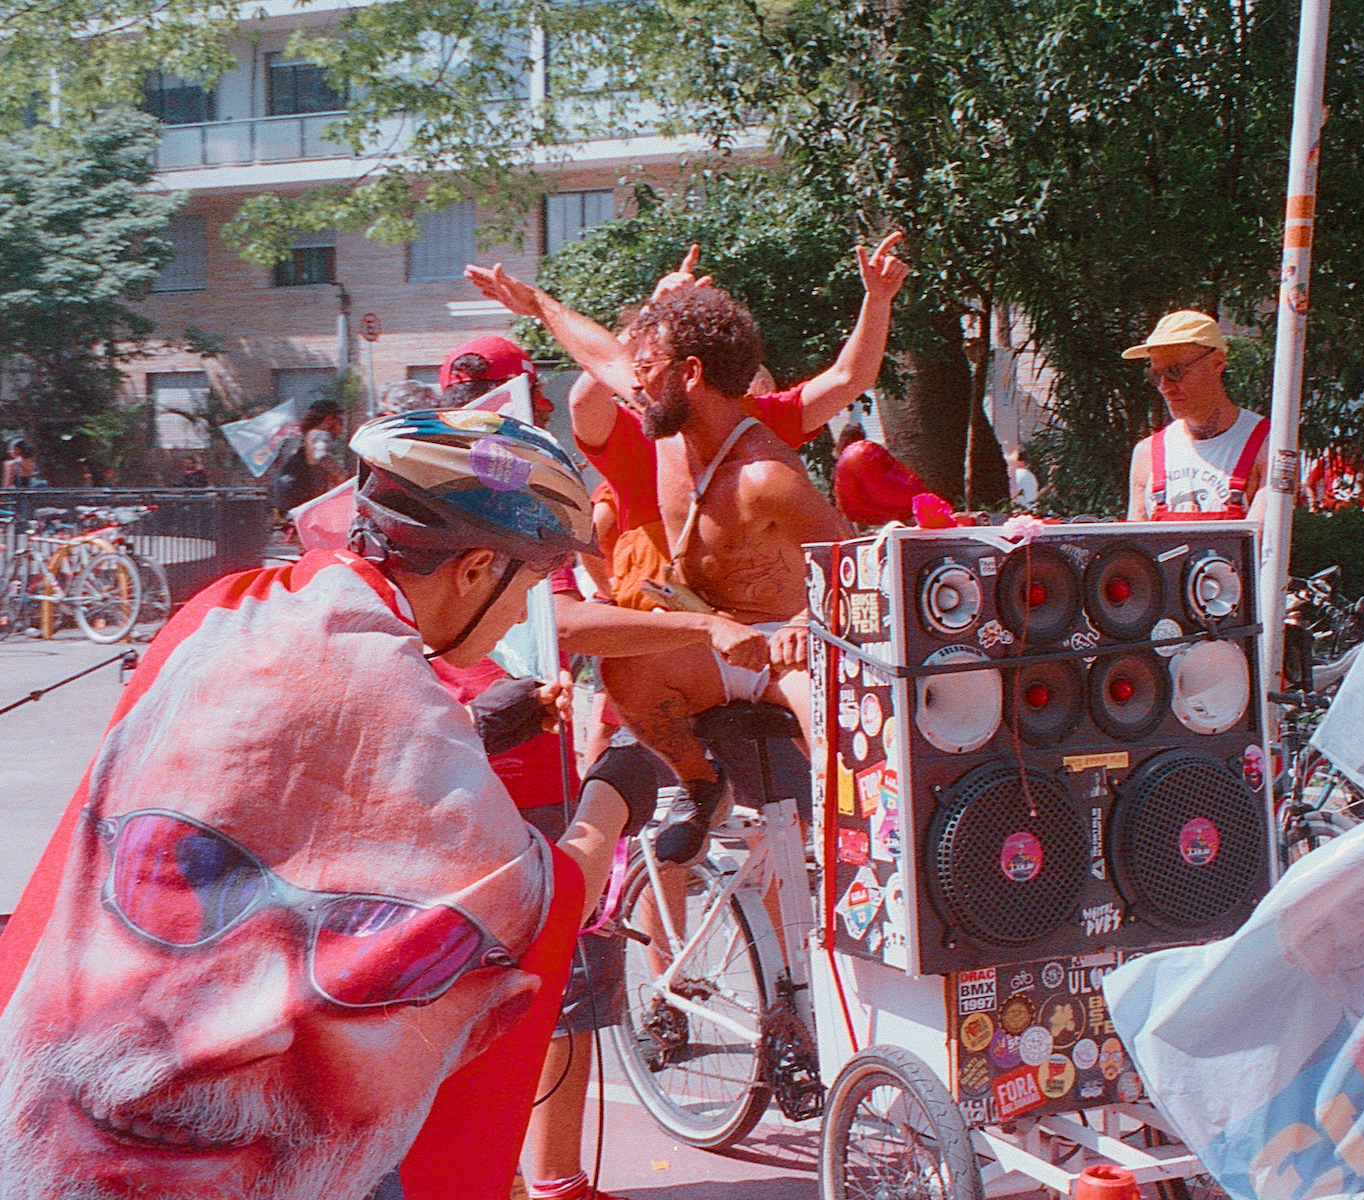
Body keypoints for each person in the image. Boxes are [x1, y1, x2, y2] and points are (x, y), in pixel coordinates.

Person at [0, 409, 628, 1200]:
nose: (518, 617)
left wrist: (467, 729)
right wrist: (614, 794)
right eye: (526, 587)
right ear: (474, 571)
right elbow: (525, 890)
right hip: (225, 1129)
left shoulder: (234, 605)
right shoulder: (388, 684)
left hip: (80, 1070)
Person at [465, 236, 906, 864]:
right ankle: (700, 784)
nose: (633, 382)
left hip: (785, 649)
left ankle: (866, 847)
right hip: (704, 641)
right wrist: (537, 302)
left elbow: (857, 567)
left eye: (647, 370)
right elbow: (600, 354)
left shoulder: (765, 474)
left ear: (690, 374)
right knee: (626, 664)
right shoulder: (665, 427)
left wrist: (809, 625)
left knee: (826, 715)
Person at [1123, 311, 1270, 522]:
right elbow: (1133, 548)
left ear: (1217, 363)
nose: (1164, 387)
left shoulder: (1267, 443)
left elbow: (1267, 545)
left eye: (1175, 372)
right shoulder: (1147, 453)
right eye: (1156, 375)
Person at [270, 397, 348, 514]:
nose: (342, 429)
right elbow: (321, 455)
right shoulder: (320, 434)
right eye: (341, 421)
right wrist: (343, 476)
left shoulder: (306, 436)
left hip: (285, 493)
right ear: (329, 419)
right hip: (299, 496)